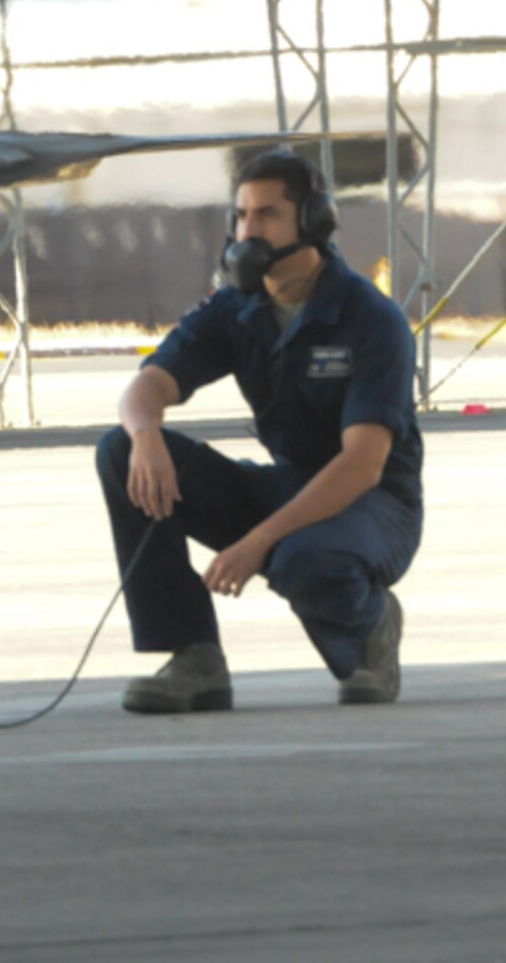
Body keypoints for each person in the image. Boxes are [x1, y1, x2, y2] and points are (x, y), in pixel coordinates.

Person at [95, 149, 424, 712]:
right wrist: (146, 437)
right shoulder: (236, 308)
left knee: (303, 559)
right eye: (242, 216)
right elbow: (145, 388)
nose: (250, 230)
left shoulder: (370, 319)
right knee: (119, 449)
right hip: (289, 487)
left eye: (268, 215)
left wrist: (258, 541)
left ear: (313, 222)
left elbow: (362, 464)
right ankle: (194, 656)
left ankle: (372, 625)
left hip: (373, 504)